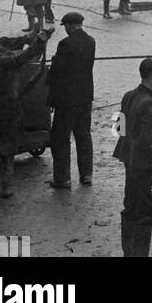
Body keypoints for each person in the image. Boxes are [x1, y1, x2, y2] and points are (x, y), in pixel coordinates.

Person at [0, 26, 49, 201]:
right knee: (8, 148)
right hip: (6, 109)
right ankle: (6, 187)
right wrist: (40, 41)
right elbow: (23, 58)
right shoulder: (2, 62)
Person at [114, 57, 152, 257]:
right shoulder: (149, 104)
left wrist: (128, 147)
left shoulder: (128, 96)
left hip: (130, 163)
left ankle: (128, 253)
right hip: (146, 168)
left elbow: (117, 129)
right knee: (146, 215)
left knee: (130, 209)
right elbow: (149, 141)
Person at [47, 12, 96, 190]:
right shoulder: (91, 41)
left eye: (65, 26)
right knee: (83, 135)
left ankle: (62, 178)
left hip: (67, 100)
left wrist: (51, 98)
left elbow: (58, 73)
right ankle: (86, 175)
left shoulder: (65, 44)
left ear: (69, 25)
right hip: (85, 96)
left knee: (60, 138)